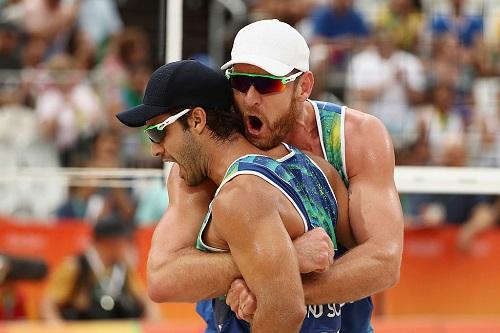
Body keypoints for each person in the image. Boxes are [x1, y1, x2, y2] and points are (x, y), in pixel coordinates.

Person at [147, 19, 404, 333]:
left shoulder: (351, 138)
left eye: (267, 84)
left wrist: (271, 290)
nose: (251, 98)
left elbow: (384, 263)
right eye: (239, 82)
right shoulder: (203, 154)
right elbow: (164, 277)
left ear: (304, 86)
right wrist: (282, 261)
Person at [117, 60, 355, 332]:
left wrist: (273, 269)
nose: (155, 151)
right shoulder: (317, 170)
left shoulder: (239, 195)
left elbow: (286, 311)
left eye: (158, 132)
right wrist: (279, 261)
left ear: (197, 120)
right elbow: (162, 280)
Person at [41, 217, 159, 321]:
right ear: (110, 242)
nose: (130, 247)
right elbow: (47, 306)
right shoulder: (75, 267)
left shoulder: (124, 269)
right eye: (126, 241)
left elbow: (147, 303)